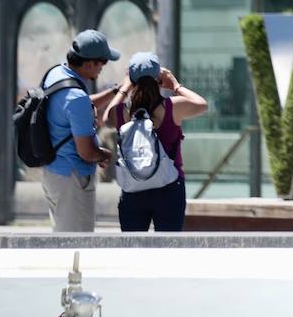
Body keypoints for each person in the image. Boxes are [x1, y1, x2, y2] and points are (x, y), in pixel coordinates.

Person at [104, 52, 208, 232]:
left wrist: (124, 87)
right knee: (168, 249)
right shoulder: (172, 107)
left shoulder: (122, 112)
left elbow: (106, 118)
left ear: (131, 79)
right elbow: (202, 104)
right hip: (169, 186)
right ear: (158, 78)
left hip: (133, 187)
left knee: (133, 249)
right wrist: (175, 84)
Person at [41, 30, 122, 233]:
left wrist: (114, 92)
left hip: (54, 171)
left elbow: (79, 105)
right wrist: (104, 154)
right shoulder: (75, 96)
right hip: (72, 179)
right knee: (76, 243)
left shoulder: (57, 74)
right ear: (88, 64)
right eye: (102, 62)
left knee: (63, 236)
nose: (103, 68)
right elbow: (86, 152)